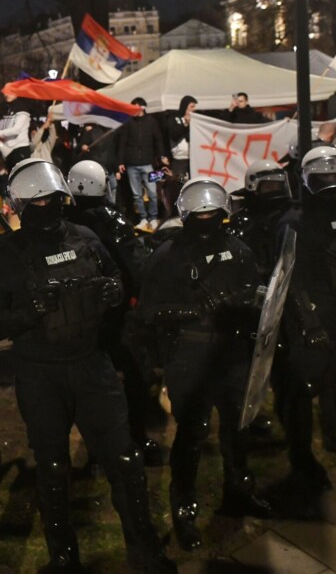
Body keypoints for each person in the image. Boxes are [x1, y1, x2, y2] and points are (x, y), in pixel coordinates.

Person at [0, 158, 174, 573]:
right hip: (40, 373)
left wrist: (111, 294)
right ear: (23, 205)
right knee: (53, 466)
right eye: (38, 200)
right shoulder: (3, 255)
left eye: (52, 198)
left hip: (91, 365)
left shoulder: (86, 238)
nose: (46, 205)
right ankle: (63, 556)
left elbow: (118, 285)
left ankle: (143, 547)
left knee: (125, 460)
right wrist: (29, 311)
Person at [134, 179, 272, 549]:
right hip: (191, 357)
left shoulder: (240, 251)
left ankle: (240, 489)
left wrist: (251, 305)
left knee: (237, 430)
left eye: (213, 212)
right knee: (192, 436)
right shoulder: (166, 256)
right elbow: (146, 311)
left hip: (233, 354)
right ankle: (184, 509)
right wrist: (188, 311)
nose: (208, 219)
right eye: (201, 213)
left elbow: (256, 293)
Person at [275, 147, 336, 504]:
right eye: (324, 174)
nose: (331, 180)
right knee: (303, 389)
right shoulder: (294, 220)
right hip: (313, 315)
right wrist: (307, 322)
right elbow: (289, 278)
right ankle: (301, 457)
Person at [66, 160, 161, 466]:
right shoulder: (114, 222)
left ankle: (97, 445)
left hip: (80, 317)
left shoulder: (63, 224)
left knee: (88, 383)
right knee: (134, 375)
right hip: (117, 313)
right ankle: (135, 436)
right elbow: (137, 266)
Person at [117, 99, 167, 232]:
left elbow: (158, 140)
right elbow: (123, 142)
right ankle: (143, 218)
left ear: (142, 107)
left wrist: (162, 155)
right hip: (132, 164)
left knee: (152, 193)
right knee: (136, 195)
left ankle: (153, 217)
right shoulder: (128, 122)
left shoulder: (151, 122)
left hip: (148, 164)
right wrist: (121, 162)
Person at [0, 96, 33, 169]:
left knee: (19, 177)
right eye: (5, 92)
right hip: (8, 151)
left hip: (20, 149)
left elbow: (16, 130)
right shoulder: (7, 109)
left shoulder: (22, 110)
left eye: (10, 91)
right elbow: (6, 129)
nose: (6, 95)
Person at [163, 96, 195, 181]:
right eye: (192, 107)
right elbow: (174, 135)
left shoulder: (195, 120)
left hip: (193, 159)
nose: (194, 109)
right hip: (179, 160)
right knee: (179, 183)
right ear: (185, 106)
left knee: (192, 184)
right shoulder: (173, 119)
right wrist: (185, 125)